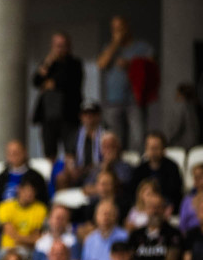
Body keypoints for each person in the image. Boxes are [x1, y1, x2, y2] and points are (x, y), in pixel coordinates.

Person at [97, 15, 154, 151]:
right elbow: (101, 64)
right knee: (115, 139)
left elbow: (152, 68)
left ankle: (140, 165)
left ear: (127, 28)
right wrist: (115, 44)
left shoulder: (142, 47)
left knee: (138, 138)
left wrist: (132, 65)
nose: (118, 32)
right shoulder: (109, 48)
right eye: (114, 29)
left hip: (135, 100)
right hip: (113, 101)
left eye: (120, 28)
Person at [32, 31, 84, 160]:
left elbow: (68, 81)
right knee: (49, 152)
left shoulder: (74, 63)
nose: (59, 49)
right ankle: (53, 177)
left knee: (71, 150)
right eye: (57, 45)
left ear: (68, 46)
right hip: (48, 117)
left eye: (63, 45)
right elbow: (36, 81)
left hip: (68, 115)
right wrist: (48, 61)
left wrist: (50, 83)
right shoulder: (48, 64)